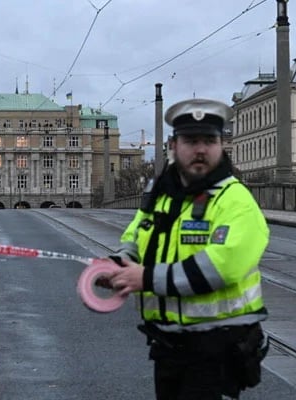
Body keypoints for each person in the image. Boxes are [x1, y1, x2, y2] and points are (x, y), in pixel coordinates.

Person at [103, 98, 270, 399]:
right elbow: (136, 239)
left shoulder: (235, 200)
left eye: (210, 140)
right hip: (168, 345)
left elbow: (223, 266)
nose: (201, 149)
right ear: (173, 145)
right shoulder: (161, 195)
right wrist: (116, 264)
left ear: (221, 145)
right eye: (191, 141)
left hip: (217, 348)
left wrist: (145, 279)